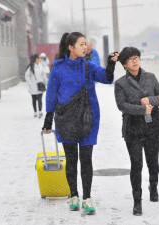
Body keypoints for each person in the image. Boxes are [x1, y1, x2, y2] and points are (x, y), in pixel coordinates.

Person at [42, 32, 118, 214]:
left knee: (86, 159)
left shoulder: (88, 66)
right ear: (71, 47)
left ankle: (87, 198)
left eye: (86, 44)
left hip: (88, 118)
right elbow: (51, 93)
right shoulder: (58, 68)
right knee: (71, 159)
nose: (85, 47)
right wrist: (48, 118)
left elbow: (107, 78)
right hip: (66, 117)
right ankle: (74, 196)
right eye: (81, 44)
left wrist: (111, 64)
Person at [114, 47, 159, 216]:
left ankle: (154, 187)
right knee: (136, 165)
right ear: (124, 64)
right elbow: (122, 106)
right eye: (131, 59)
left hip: (153, 127)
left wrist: (150, 100)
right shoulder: (120, 83)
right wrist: (142, 109)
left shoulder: (150, 77)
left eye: (137, 57)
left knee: (153, 162)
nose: (135, 61)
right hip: (133, 129)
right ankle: (137, 202)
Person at [25, 53, 48, 118]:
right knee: (34, 99)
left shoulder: (41, 66)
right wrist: (30, 83)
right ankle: (35, 112)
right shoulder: (31, 67)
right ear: (36, 59)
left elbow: (44, 74)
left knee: (40, 99)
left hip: (40, 85)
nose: (40, 59)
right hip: (33, 86)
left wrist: (45, 81)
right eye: (39, 58)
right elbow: (27, 76)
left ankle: (40, 112)